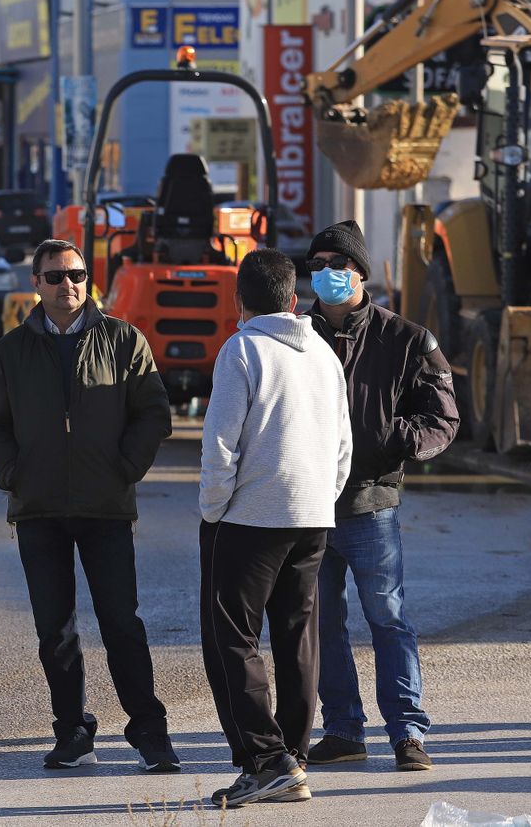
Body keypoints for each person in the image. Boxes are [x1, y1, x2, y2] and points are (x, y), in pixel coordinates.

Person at [0, 238, 179, 772]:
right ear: (35, 285)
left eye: (78, 275)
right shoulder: (11, 352)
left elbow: (153, 414)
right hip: (39, 509)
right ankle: (72, 731)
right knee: (54, 630)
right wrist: (14, 473)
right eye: (56, 277)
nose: (69, 285)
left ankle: (150, 734)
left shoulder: (123, 340)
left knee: (121, 623)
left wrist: (124, 468)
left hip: (105, 507)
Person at [198, 248, 352, 808]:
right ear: (294, 298)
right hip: (313, 515)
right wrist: (321, 498)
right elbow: (342, 444)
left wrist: (212, 511)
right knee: (296, 636)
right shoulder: (323, 353)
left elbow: (220, 446)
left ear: (239, 301)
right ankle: (293, 758)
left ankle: (266, 760)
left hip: (251, 517)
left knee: (234, 638)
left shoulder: (241, 350)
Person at [302, 219, 458, 772]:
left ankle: (407, 734)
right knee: (321, 624)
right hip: (308, 507)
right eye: (316, 266)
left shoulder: (407, 338)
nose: (326, 275)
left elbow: (443, 417)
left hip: (371, 505)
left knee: (387, 618)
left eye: (337, 266)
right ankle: (343, 729)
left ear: (361, 273)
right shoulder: (294, 335)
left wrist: (396, 439)